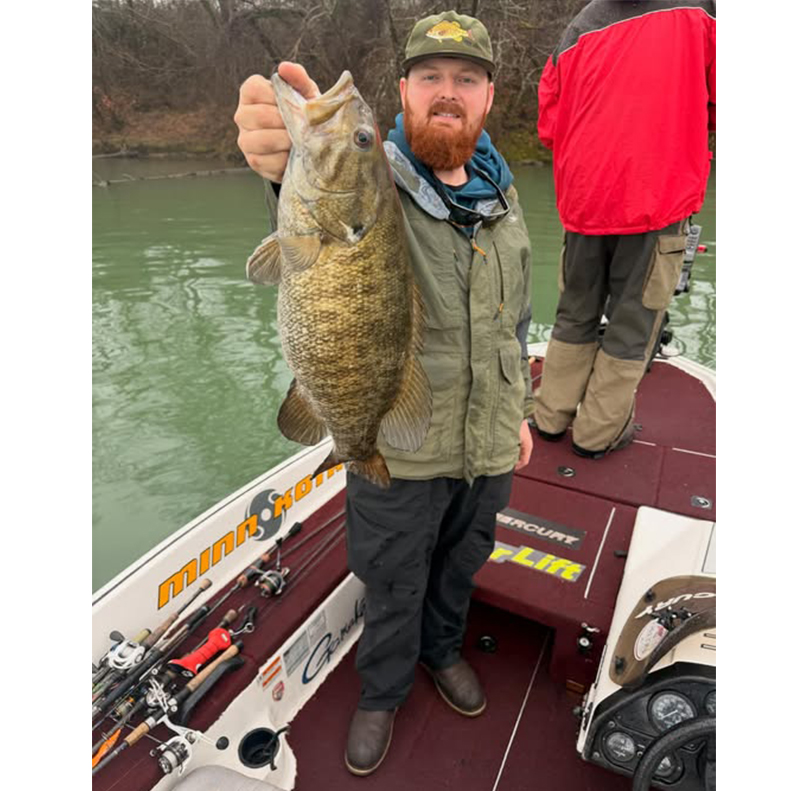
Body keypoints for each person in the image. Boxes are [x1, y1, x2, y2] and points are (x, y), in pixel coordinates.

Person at [234, 10, 534, 776]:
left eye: (465, 78)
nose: (447, 91)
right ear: (403, 91)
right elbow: (312, 200)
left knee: (461, 562)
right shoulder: (381, 182)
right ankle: (382, 689)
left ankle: (443, 649)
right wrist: (282, 163)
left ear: (488, 97)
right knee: (394, 577)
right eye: (429, 76)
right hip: (399, 447)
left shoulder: (504, 197)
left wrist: (520, 414)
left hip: (487, 441)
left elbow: (515, 317)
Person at [532, 0, 716, 458]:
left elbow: (549, 124)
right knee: (632, 324)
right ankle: (597, 434)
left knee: (574, 312)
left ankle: (551, 416)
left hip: (584, 201)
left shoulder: (579, 26)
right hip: (656, 197)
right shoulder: (700, 10)